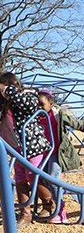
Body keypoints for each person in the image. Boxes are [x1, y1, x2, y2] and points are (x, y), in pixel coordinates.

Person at [0, 72, 52, 229]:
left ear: (14, 85)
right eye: (1, 90)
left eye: (6, 89)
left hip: (32, 144)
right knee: (19, 177)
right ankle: (25, 214)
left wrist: (11, 92)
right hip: (15, 147)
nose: (4, 93)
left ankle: (49, 205)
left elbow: (29, 105)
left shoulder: (29, 94)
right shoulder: (1, 104)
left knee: (32, 174)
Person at [38, 89, 84, 224]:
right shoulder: (34, 116)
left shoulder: (58, 115)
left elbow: (77, 124)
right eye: (37, 105)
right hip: (42, 152)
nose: (39, 108)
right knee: (42, 179)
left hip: (56, 153)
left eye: (42, 104)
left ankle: (61, 212)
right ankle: (50, 207)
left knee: (52, 179)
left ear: (51, 104)